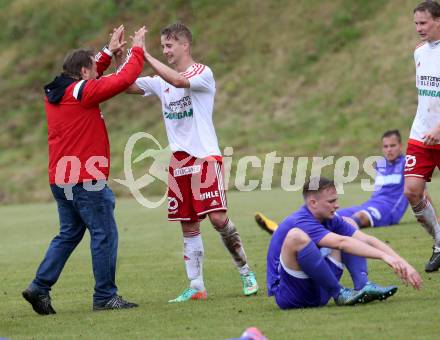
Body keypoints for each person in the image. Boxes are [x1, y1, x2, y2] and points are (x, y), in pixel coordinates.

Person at [127, 23, 258, 302]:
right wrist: (122, 56)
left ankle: (246, 271)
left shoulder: (202, 73)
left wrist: (145, 54)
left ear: (185, 45)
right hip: (179, 161)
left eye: (169, 46)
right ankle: (196, 286)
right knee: (188, 225)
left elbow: (178, 81)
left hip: (205, 157)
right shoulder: (161, 80)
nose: (165, 51)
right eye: (162, 46)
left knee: (218, 218)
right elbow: (126, 84)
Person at [22, 26, 147, 315]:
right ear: (83, 72)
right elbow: (124, 78)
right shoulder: (82, 92)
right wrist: (137, 49)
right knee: (104, 233)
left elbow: (92, 74)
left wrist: (107, 51)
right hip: (85, 179)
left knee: (69, 233)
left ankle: (40, 287)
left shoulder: (59, 91)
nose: (96, 72)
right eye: (93, 69)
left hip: (61, 178)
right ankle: (105, 296)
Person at [266, 177, 422, 310]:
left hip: (320, 291)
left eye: (336, 199)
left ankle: (362, 285)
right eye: (331, 201)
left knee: (349, 223)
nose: (337, 205)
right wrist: (383, 256)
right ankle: (339, 293)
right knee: (296, 236)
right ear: (313, 203)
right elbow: (342, 243)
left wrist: (402, 262)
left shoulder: (330, 218)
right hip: (291, 295)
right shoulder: (301, 220)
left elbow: (367, 239)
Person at [256, 130, 408, 234]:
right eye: (385, 146)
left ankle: (319, 235)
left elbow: (420, 192)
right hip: (370, 204)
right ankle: (281, 229)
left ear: (400, 146)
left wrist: (432, 222)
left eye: (393, 146)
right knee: (328, 214)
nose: (389, 150)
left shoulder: (407, 164)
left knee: (360, 217)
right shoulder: (380, 164)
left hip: (387, 211)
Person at [405, 0, 440, 273]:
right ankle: (439, 242)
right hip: (421, 134)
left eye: (423, 23)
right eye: (416, 23)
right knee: (412, 191)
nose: (419, 28)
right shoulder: (419, 52)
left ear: (438, 21)